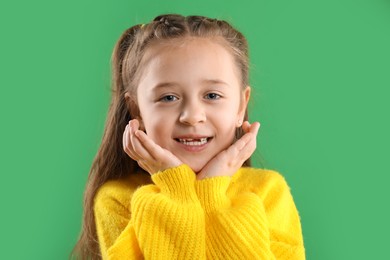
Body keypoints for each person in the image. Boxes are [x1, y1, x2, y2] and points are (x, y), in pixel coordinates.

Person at [72, 14, 305, 260]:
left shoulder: (269, 191)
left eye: (212, 95)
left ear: (240, 106)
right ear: (137, 111)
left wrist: (212, 193)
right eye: (168, 97)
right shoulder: (117, 200)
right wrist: (177, 190)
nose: (192, 117)